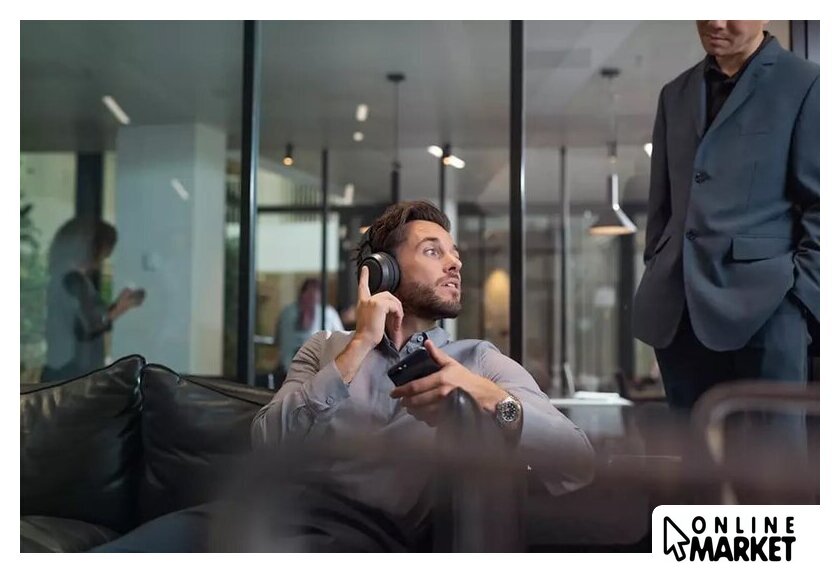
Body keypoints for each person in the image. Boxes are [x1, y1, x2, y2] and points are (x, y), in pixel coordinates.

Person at [251, 200, 595, 547]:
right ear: (384, 269)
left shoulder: (479, 361)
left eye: (454, 254)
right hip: (282, 527)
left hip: (373, 544)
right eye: (433, 251)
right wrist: (360, 345)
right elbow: (266, 442)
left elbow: (577, 461)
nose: (455, 263)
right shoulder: (324, 348)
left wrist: (487, 396)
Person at [632, 21, 819, 409]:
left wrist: (799, 301)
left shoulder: (805, 84)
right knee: (691, 448)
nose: (715, 21)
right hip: (679, 314)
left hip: (768, 308)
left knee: (770, 448)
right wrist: (658, 264)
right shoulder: (674, 94)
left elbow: (822, 205)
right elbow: (662, 205)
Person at [43, 217, 145, 382]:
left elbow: (84, 318)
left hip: (61, 368)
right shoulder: (74, 280)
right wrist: (120, 307)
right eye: (104, 251)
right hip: (74, 373)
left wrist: (116, 307)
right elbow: (90, 324)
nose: (104, 258)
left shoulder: (61, 276)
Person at [274, 278, 344, 376]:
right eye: (309, 294)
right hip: (289, 370)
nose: (311, 299)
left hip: (315, 371)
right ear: (302, 295)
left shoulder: (328, 314)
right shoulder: (288, 313)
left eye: (313, 295)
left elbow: (341, 341)